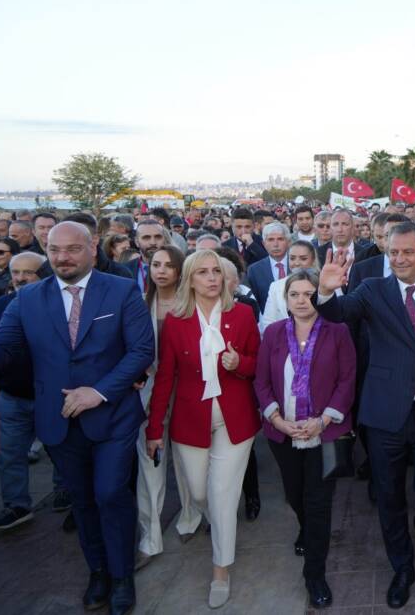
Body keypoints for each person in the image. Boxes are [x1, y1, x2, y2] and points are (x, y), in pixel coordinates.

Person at [0, 222, 154, 614]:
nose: (62, 257)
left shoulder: (121, 290)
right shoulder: (27, 298)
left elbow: (141, 351)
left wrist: (96, 392)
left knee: (111, 494)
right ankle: (97, 571)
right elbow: (2, 357)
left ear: (92, 248)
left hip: (112, 417)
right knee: (81, 501)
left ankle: (121, 576)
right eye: (54, 249)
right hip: (58, 421)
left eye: (72, 249)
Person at [315, 221, 415, 609]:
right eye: (393, 252)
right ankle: (402, 567)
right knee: (389, 496)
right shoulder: (372, 290)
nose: (398, 259)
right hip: (384, 414)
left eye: (407, 252)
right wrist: (326, 290)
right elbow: (337, 314)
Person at [145, 250, 261, 609]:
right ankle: (219, 525)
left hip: (235, 419)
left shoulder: (241, 314)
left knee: (223, 496)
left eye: (217, 272)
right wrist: (154, 429)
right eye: (203, 273)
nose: (212, 278)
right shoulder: (176, 321)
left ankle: (220, 569)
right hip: (189, 420)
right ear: (190, 280)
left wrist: (237, 362)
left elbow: (259, 364)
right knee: (197, 493)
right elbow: (165, 377)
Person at [254, 269, 355, 609]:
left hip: (323, 434)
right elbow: (262, 382)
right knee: (295, 496)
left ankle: (315, 574)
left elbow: (346, 381)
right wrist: (277, 420)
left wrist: (323, 420)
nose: (301, 300)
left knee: (318, 503)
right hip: (283, 433)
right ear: (286, 299)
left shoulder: (337, 332)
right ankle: (305, 529)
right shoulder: (272, 334)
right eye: (294, 294)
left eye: (309, 293)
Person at [0, 252, 72, 532]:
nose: (21, 278)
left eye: (29, 272)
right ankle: (16, 505)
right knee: (10, 453)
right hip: (13, 394)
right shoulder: (2, 305)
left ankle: (66, 491)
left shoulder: (62, 305)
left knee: (60, 449)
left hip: (50, 394)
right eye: (16, 272)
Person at [134, 245, 202, 570]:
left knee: (187, 460)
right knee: (150, 463)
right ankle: (149, 538)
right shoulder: (138, 304)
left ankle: (190, 516)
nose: (160, 270)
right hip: (148, 393)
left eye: (168, 265)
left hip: (187, 390)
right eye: (155, 264)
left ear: (179, 270)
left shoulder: (191, 305)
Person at [261, 241, 320, 331]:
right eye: (292, 258)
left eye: (303, 259)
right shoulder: (276, 286)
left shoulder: (324, 283)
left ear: (313, 260)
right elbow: (268, 322)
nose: (296, 263)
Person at [245, 221, 291, 312]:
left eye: (280, 239)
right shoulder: (254, 270)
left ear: (288, 242)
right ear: (264, 243)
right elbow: (255, 303)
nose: (275, 244)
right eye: (270, 240)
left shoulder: (299, 264)